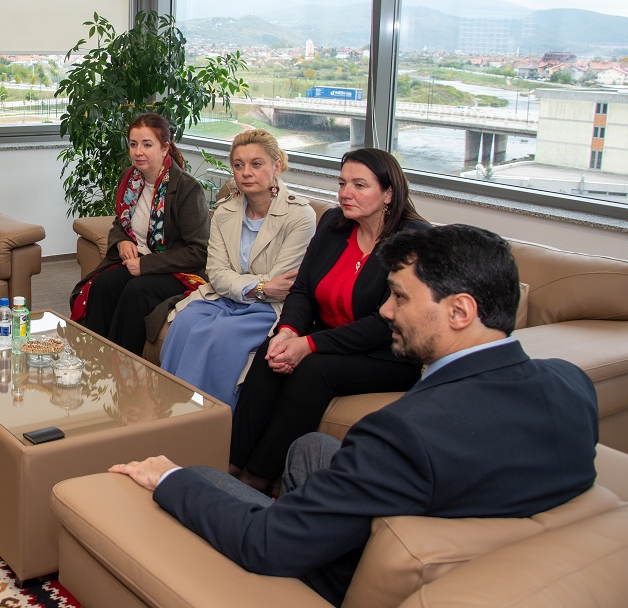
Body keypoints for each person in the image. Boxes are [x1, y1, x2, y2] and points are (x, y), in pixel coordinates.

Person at [110, 224, 598, 606]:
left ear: (460, 311)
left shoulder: (402, 433)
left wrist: (169, 476)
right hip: (452, 521)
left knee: (193, 477)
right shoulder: (570, 384)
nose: (385, 311)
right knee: (310, 448)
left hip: (349, 573)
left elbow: (267, 543)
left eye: (400, 296)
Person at [228, 147, 427, 493]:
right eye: (342, 183)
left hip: (388, 353)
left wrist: (309, 344)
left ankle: (258, 477)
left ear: (388, 193)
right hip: (327, 336)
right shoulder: (334, 225)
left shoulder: (414, 240)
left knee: (312, 370)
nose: (346, 193)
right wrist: (288, 331)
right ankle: (231, 461)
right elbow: (303, 290)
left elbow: (386, 324)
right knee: (271, 353)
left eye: (359, 185)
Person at [159, 129, 317, 408]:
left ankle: (210, 419)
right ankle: (170, 407)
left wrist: (252, 285)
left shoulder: (299, 216)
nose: (246, 172)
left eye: (256, 164)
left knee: (220, 335)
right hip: (223, 296)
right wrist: (260, 285)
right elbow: (216, 272)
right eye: (238, 165)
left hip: (268, 308)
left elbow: (281, 283)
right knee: (183, 322)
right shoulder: (224, 211)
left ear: (276, 166)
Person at [71, 113, 209, 356]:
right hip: (138, 261)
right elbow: (120, 222)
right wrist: (122, 240)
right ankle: (93, 358)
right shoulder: (130, 179)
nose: (138, 152)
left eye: (147, 145)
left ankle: (120, 363)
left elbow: (198, 252)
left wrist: (145, 266)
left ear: (165, 148)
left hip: (177, 271)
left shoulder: (187, 188)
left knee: (136, 291)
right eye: (133, 144)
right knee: (102, 285)